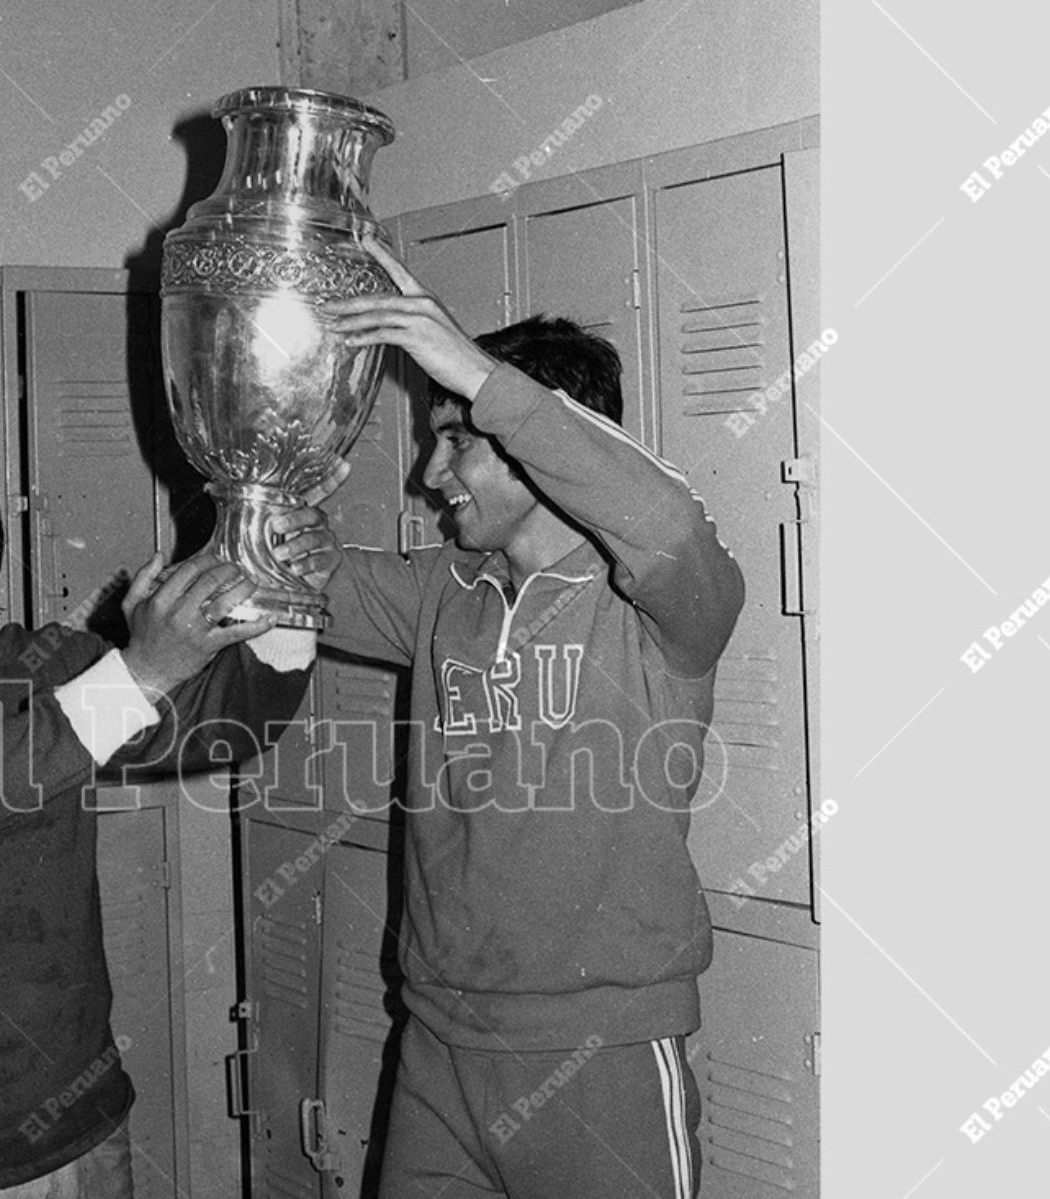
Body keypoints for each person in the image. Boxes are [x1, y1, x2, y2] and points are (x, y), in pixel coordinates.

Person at [271, 238, 746, 1198]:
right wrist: (273, 494)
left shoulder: (661, 609)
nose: (429, 475)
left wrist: (479, 376)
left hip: (599, 1050)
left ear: (535, 450)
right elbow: (299, 575)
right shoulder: (446, 591)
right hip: (439, 1043)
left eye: (458, 439)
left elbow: (666, 522)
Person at [0, 407, 313, 1199]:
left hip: (88, 1127)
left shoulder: (48, 664)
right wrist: (140, 672)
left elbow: (228, 725)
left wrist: (285, 590)